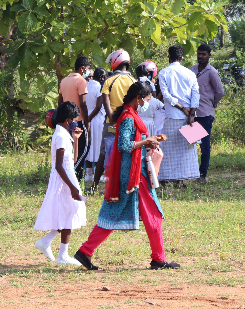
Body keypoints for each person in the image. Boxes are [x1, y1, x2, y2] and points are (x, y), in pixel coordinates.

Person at [74, 82, 180, 271]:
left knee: (117, 214)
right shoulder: (128, 118)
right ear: (138, 98)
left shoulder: (129, 115)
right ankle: (158, 258)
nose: (147, 103)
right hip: (134, 176)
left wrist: (147, 144)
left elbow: (129, 144)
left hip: (132, 173)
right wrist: (146, 141)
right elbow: (124, 146)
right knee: (150, 214)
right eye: (146, 100)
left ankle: (85, 251)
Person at [34, 101, 86, 267]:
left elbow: (73, 159)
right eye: (74, 120)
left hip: (67, 177)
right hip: (64, 179)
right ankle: (63, 255)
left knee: (68, 213)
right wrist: (71, 187)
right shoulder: (61, 136)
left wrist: (76, 139)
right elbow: (58, 166)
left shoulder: (64, 134)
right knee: (69, 214)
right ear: (68, 120)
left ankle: (46, 242)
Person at [90, 50, 137, 190]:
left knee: (104, 153)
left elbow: (106, 102)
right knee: (127, 152)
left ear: (115, 62)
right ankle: (127, 185)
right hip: (129, 122)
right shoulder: (134, 81)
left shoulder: (108, 81)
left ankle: (94, 185)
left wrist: (111, 118)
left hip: (111, 123)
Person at [158, 45, 200, 186]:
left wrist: (182, 108)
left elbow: (166, 95)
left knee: (168, 148)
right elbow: (196, 94)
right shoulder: (190, 73)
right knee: (185, 149)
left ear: (168, 56)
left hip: (172, 115)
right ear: (182, 58)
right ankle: (181, 181)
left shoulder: (164, 73)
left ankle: (165, 178)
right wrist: (191, 113)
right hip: (188, 117)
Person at [190, 43, 225, 182]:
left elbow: (220, 91)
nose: (201, 56)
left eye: (204, 54)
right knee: (191, 144)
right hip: (193, 113)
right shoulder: (192, 69)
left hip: (205, 113)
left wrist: (213, 103)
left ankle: (202, 174)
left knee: (204, 144)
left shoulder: (212, 72)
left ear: (209, 55)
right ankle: (191, 172)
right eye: (199, 54)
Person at [58, 56, 91, 181]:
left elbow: (60, 102)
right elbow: (83, 104)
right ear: (82, 69)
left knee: (72, 150)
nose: (88, 71)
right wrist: (87, 122)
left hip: (67, 122)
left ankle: (77, 177)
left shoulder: (64, 81)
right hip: (78, 121)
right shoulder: (81, 81)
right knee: (83, 150)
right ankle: (72, 175)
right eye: (88, 69)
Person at [85, 68, 107, 182]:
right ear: (102, 77)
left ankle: (89, 173)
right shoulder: (99, 87)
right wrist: (89, 118)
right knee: (98, 146)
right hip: (96, 118)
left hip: (87, 116)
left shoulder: (85, 85)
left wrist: (86, 118)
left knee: (89, 145)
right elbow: (98, 106)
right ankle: (100, 173)